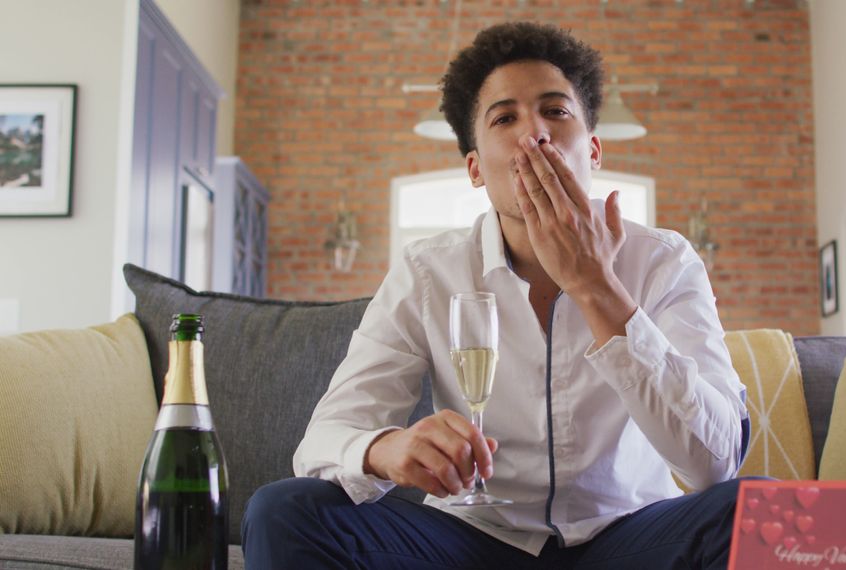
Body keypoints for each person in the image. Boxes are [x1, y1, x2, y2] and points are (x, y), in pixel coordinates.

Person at [242, 21, 750, 569]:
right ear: (476, 168)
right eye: (505, 118)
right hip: (472, 539)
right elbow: (324, 439)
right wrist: (386, 449)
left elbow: (714, 464)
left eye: (556, 111)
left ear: (595, 149)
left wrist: (595, 284)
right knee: (284, 509)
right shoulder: (427, 270)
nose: (535, 135)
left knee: (753, 510)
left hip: (630, 534)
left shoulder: (664, 260)